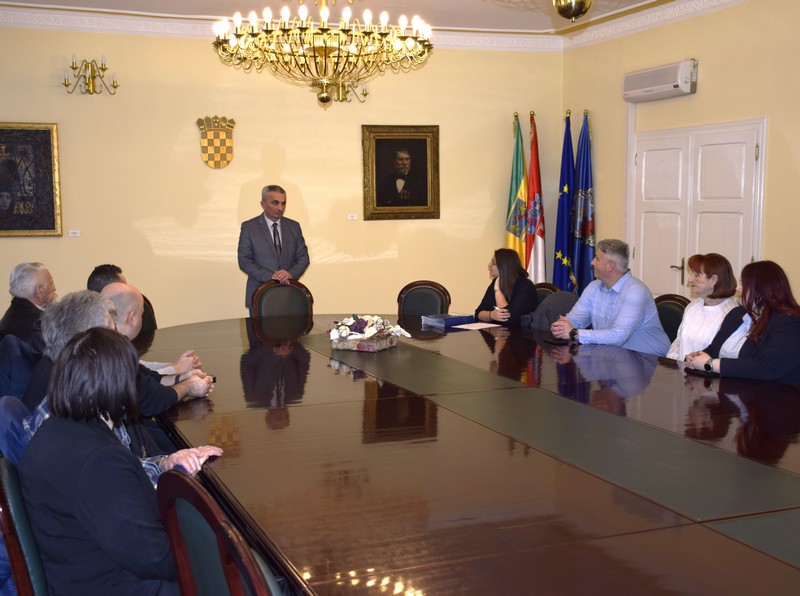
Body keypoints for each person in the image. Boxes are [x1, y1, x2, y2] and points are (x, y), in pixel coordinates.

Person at [19, 327, 220, 595]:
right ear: (120, 386)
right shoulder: (98, 459)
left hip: (78, 574)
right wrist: (218, 544)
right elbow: (156, 557)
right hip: (122, 586)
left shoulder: (55, 429)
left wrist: (173, 468)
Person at [684, 260, 800, 384]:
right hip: (728, 389)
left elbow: (768, 367)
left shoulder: (789, 322)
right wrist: (696, 357)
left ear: (762, 289)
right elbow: (714, 349)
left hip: (772, 393)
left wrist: (710, 364)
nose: (737, 288)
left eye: (743, 284)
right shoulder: (736, 314)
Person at [551, 239, 670, 356]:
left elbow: (618, 336)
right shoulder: (593, 287)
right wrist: (560, 327)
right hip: (615, 357)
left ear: (610, 266)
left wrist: (574, 333)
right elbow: (574, 321)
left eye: (597, 259)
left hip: (652, 360)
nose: (592, 262)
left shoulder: (636, 291)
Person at [238, 184, 310, 313]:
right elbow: (244, 261)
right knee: (259, 328)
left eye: (283, 203)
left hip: (290, 295)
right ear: (263, 204)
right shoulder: (249, 227)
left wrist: (290, 274)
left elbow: (303, 258)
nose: (280, 208)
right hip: (259, 296)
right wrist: (272, 276)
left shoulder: (294, 227)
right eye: (275, 203)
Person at [666, 253, 739, 361]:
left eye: (696, 275)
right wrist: (671, 365)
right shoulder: (692, 307)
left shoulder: (732, 313)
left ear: (714, 280)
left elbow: (729, 357)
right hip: (682, 369)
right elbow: (678, 343)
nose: (690, 279)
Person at [0, 262, 56, 354]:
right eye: (51, 283)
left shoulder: (11, 314)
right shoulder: (37, 326)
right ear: (39, 291)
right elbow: (55, 360)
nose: (54, 288)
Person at [474, 248, 539, 326]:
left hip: (520, 332)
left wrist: (498, 291)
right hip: (498, 331)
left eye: (493, 263)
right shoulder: (496, 282)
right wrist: (491, 315)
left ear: (504, 266)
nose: (489, 265)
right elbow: (478, 313)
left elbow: (508, 318)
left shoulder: (525, 286)